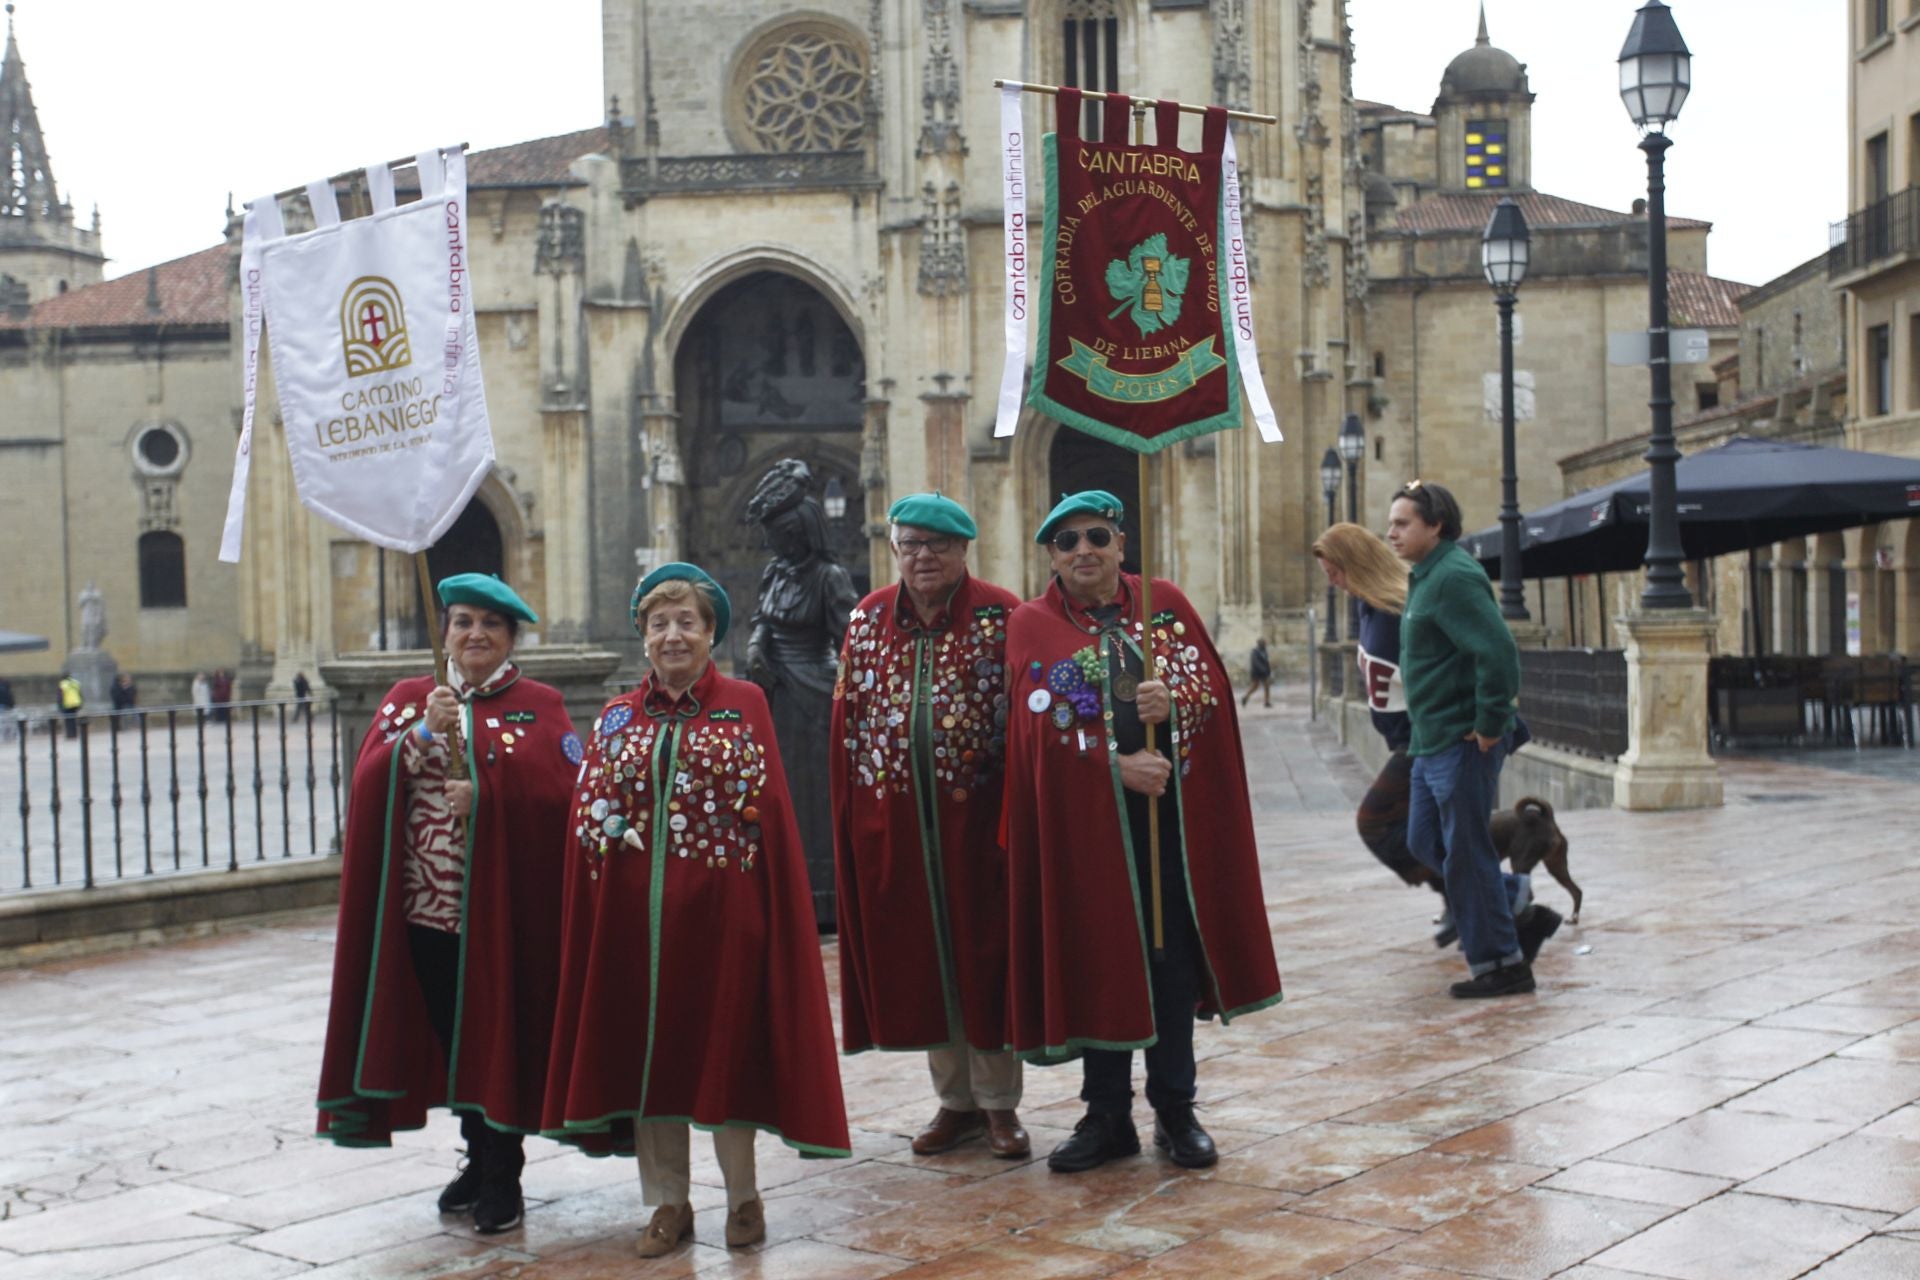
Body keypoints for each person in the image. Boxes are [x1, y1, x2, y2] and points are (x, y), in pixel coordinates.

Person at [543, 562, 849, 1260]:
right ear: (643, 637)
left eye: (687, 622)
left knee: (723, 1059)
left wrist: (759, 910)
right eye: (660, 624)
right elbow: (590, 818)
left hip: (721, 921)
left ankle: (742, 1196)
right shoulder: (617, 716)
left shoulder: (746, 704)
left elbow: (766, 818)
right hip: (633, 927)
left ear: (712, 633)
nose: (673, 635)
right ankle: (667, 1204)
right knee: (652, 1065)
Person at [1002, 491, 1283, 1174]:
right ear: (1052, 556)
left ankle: (1176, 1109)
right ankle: (1106, 1115)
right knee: (1098, 961)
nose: (1084, 551)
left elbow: (1211, 694)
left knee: (1168, 963)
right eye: (1067, 542)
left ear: (1121, 544)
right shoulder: (1031, 624)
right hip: (1084, 837)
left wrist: (1176, 705)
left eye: (1097, 535)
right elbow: (1032, 733)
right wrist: (1110, 765)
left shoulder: (1167, 607)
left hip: (1167, 833)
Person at [315, 574, 579, 1234]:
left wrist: (489, 798)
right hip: (425, 912)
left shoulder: (539, 704)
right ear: (445, 632)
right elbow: (369, 778)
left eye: (491, 624)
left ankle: (502, 1169)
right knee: (453, 1033)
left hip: (503, 914)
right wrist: (416, 741)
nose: (475, 635)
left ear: (512, 637)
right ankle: (475, 1150)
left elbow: (564, 797)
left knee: (498, 1031)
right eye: (462, 622)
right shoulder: (412, 699)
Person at [832, 493, 1028, 1160]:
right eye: (912, 543)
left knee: (985, 954)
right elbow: (848, 724)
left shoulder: (1002, 615)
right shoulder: (865, 620)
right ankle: (956, 1103)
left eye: (939, 544)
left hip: (980, 822)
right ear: (893, 548)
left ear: (964, 551)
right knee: (928, 957)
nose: (925, 556)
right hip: (898, 822)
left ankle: (1000, 1105)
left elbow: (1029, 720)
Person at [1386, 481, 1558, 999]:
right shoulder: (1425, 576)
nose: (1390, 532)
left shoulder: (1454, 578)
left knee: (1466, 853)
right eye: (1391, 522)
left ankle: (1502, 964)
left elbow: (1499, 652)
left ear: (1435, 526)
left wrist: (1488, 723)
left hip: (1463, 744)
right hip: (1430, 741)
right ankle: (1516, 902)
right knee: (1422, 840)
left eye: (1402, 524)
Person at [1314, 524, 1452, 940]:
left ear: (1355, 565)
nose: (1333, 584)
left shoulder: (1398, 610)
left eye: (1335, 573)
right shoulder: (1369, 608)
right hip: (1406, 741)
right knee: (1429, 834)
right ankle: (1466, 898)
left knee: (1375, 822)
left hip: (1424, 739)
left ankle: (1492, 891)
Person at [742, 459, 861, 921]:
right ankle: (787, 888)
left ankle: (824, 896)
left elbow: (849, 644)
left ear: (798, 533)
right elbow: (761, 622)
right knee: (780, 787)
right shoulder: (775, 573)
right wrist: (756, 647)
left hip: (814, 692)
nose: (773, 545)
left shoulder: (829, 577)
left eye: (778, 536)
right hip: (775, 693)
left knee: (815, 792)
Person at [1241, 637, 1272, 708]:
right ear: (1259, 644)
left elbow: (1266, 662)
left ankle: (1266, 702)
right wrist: (1262, 669)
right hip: (1256, 673)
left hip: (1264, 673)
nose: (1264, 644)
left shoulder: (1264, 651)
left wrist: (1268, 671)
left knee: (1267, 686)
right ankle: (1245, 697)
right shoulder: (1255, 652)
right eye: (1263, 643)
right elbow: (1255, 663)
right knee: (1255, 686)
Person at [58, 672, 82, 739]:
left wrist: (60, 706)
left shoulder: (63, 684)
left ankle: (70, 735)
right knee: (73, 719)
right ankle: (74, 734)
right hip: (76, 703)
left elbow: (60, 696)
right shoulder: (75, 682)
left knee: (68, 720)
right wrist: (81, 703)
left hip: (67, 704)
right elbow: (80, 693)